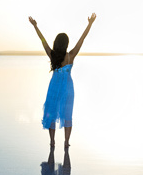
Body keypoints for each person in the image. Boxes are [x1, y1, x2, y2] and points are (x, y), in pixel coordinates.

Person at [28, 13, 96, 147]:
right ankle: (66, 142)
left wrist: (35, 27)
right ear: (66, 44)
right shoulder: (71, 55)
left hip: (54, 86)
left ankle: (52, 141)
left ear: (56, 43)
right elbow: (82, 39)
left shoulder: (52, 55)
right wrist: (90, 24)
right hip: (68, 88)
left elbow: (43, 41)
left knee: (51, 112)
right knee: (67, 114)